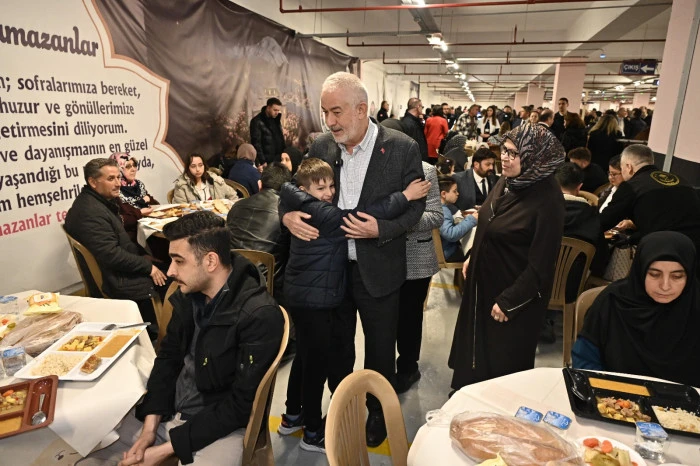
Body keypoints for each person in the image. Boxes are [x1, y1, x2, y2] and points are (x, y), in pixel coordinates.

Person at [281, 71, 425, 447]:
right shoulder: (322, 146)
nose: (329, 121)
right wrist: (287, 215)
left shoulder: (402, 148)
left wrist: (381, 229)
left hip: (379, 268)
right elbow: (295, 189)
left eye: (336, 112)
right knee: (337, 347)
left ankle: (377, 413)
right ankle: (343, 405)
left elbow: (415, 208)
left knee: (380, 348)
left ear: (361, 110)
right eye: (325, 112)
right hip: (332, 270)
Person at [120, 211, 284, 466]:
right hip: (173, 407)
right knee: (98, 441)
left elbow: (241, 406)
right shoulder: (189, 295)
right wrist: (149, 429)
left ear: (210, 261)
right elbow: (168, 359)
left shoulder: (259, 315)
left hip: (221, 424)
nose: (170, 271)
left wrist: (167, 449)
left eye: (179, 261)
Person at [448, 124, 565, 391]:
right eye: (504, 150)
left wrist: (510, 301)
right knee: (476, 349)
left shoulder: (548, 200)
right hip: (484, 283)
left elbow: (542, 264)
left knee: (500, 363)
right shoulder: (510, 180)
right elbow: (488, 222)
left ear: (535, 156)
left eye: (514, 153)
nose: (504, 158)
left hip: (510, 294)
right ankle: (469, 394)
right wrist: (472, 255)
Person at [572, 231, 700, 387]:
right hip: (617, 395)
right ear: (640, 269)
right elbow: (585, 359)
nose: (665, 286)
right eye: (654, 274)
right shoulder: (613, 301)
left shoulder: (695, 306)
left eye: (677, 276)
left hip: (685, 399)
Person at [64, 158, 166, 339]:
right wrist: (148, 267)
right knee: (171, 276)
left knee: (165, 263)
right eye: (111, 179)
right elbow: (112, 255)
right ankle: (161, 334)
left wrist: (144, 258)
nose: (118, 183)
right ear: (93, 182)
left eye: (119, 177)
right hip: (115, 279)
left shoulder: (99, 202)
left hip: (115, 270)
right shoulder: (91, 212)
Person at [599, 145, 700, 257]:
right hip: (694, 248)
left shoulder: (631, 186)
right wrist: (631, 238)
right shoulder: (682, 181)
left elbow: (604, 222)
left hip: (663, 252)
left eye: (622, 169)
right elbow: (666, 222)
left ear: (629, 167)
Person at [396, 161, 443, 394]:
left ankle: (408, 367)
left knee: (410, 317)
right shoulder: (377, 165)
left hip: (417, 258)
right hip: (382, 258)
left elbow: (436, 216)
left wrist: (401, 221)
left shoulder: (426, 170)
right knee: (383, 319)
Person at [227, 163, 292, 304]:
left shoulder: (237, 206)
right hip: (269, 287)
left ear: (259, 184)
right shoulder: (288, 214)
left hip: (231, 281)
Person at [439, 176, 478, 262]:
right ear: (443, 194)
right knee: (476, 255)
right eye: (454, 191)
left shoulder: (439, 208)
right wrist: (472, 219)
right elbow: (451, 234)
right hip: (448, 252)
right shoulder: (442, 210)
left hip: (445, 249)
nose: (458, 193)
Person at [173, 154, 238, 203]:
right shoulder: (182, 186)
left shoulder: (214, 179)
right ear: (188, 168)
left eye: (200, 165)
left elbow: (233, 196)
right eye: (193, 166)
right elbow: (180, 209)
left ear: (204, 166)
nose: (198, 169)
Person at [250, 97, 285, 166]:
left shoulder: (276, 119)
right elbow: (256, 143)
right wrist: (262, 161)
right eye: (275, 110)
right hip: (267, 161)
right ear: (268, 108)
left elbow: (280, 138)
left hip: (279, 158)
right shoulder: (256, 121)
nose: (277, 112)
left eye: (278, 110)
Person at [401, 97, 429, 162]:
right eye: (422, 107)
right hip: (415, 160)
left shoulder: (413, 121)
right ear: (418, 106)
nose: (422, 109)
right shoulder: (409, 123)